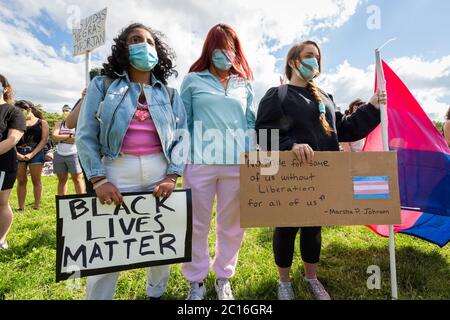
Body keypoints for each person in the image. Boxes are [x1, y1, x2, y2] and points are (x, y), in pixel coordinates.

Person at [255, 40, 386, 300]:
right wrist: (290, 146)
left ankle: (311, 277)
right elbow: (265, 135)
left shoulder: (325, 98)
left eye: (317, 57)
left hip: (321, 177)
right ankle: (284, 282)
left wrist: (372, 107)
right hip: (290, 177)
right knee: (287, 227)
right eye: (308, 56)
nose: (315, 62)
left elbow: (345, 129)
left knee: (313, 227)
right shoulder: (277, 95)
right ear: (294, 62)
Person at [76, 23, 188, 300]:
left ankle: (156, 293)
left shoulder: (170, 94)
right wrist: (98, 178)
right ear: (124, 48)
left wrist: (172, 175)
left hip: (159, 171)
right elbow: (85, 134)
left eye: (150, 41)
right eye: (136, 40)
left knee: (160, 243)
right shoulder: (102, 85)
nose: (144, 45)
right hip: (116, 170)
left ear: (157, 52)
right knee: (107, 244)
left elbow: (183, 137)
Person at [180, 24, 255, 300]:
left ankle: (223, 277)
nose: (227, 53)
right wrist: (182, 160)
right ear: (210, 50)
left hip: (237, 166)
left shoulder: (244, 84)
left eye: (232, 48)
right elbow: (183, 122)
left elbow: (250, 124)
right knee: (196, 224)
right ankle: (196, 280)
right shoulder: (192, 80)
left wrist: (252, 160)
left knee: (233, 225)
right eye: (221, 47)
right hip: (199, 163)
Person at [0, 75, 26, 250]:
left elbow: (12, 140)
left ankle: (1, 239)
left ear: (5, 88)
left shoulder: (13, 112)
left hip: (2, 165)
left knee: (1, 202)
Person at [14, 100, 49, 211]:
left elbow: (44, 140)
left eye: (20, 111)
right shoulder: (15, 122)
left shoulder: (42, 122)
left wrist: (32, 153)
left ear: (28, 109)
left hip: (36, 153)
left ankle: (36, 206)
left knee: (36, 180)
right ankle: (21, 207)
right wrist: (17, 154)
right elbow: (11, 139)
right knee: (21, 180)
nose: (18, 113)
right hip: (18, 153)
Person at [52, 104, 84, 196]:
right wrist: (69, 136)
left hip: (74, 153)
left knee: (77, 179)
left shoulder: (78, 123)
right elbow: (54, 136)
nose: (65, 112)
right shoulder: (59, 124)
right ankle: (62, 200)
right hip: (60, 153)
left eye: (67, 110)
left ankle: (81, 198)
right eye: (63, 111)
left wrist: (61, 138)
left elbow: (76, 139)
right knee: (62, 180)